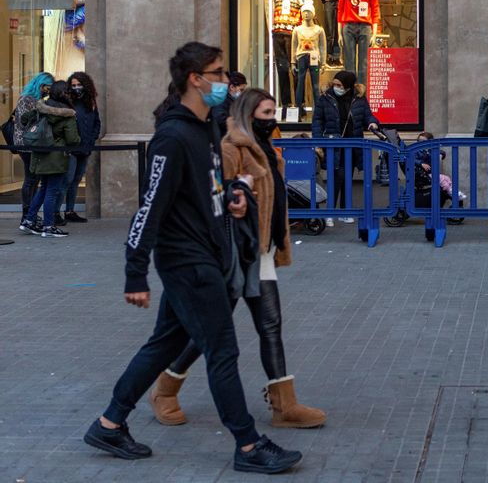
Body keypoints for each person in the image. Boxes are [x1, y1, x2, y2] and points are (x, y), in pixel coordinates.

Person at [82, 42, 302, 474]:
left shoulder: (206, 129)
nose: (226, 82)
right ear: (195, 79)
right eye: (218, 74)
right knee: (223, 351)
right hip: (187, 263)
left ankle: (109, 422)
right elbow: (149, 206)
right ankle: (248, 445)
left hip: (209, 255)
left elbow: (212, 187)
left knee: (164, 343)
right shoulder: (172, 136)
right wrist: (135, 273)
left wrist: (236, 196)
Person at [150, 88, 326, 430]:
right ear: (248, 114)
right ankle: (166, 388)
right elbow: (213, 197)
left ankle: (283, 405)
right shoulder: (229, 149)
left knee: (270, 326)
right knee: (212, 331)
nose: (272, 119)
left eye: (274, 112)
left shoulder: (266, 150)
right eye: (265, 113)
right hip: (232, 255)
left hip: (259, 253)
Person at [312, 70, 379, 227]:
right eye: (335, 84)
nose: (336, 87)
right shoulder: (325, 98)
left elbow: (367, 115)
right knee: (337, 176)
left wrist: (373, 122)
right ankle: (332, 212)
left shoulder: (359, 99)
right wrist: (317, 142)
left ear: (348, 86)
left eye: (340, 85)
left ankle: (344, 211)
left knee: (347, 177)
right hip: (334, 144)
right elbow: (317, 121)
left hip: (353, 143)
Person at [20, 81, 80, 238]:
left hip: (40, 154)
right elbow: (73, 139)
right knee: (52, 191)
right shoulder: (67, 113)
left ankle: (29, 220)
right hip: (56, 157)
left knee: (44, 188)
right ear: (64, 94)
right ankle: (48, 225)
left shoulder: (41, 107)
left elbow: (24, 119)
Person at [14, 72, 53, 230]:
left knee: (33, 179)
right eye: (46, 87)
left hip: (28, 143)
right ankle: (26, 216)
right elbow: (30, 121)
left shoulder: (31, 98)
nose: (47, 90)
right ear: (40, 85)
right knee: (31, 179)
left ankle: (29, 214)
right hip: (27, 144)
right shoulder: (28, 99)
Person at [60, 72, 101, 224]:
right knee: (67, 179)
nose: (77, 88)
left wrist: (92, 138)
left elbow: (97, 122)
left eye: (79, 85)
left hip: (85, 147)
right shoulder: (67, 102)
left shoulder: (90, 102)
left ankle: (69, 211)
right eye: (74, 85)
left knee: (76, 179)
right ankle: (56, 212)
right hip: (70, 149)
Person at [213, 71, 247, 138]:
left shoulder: (232, 101)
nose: (243, 94)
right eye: (241, 90)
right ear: (232, 87)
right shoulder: (222, 101)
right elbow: (221, 120)